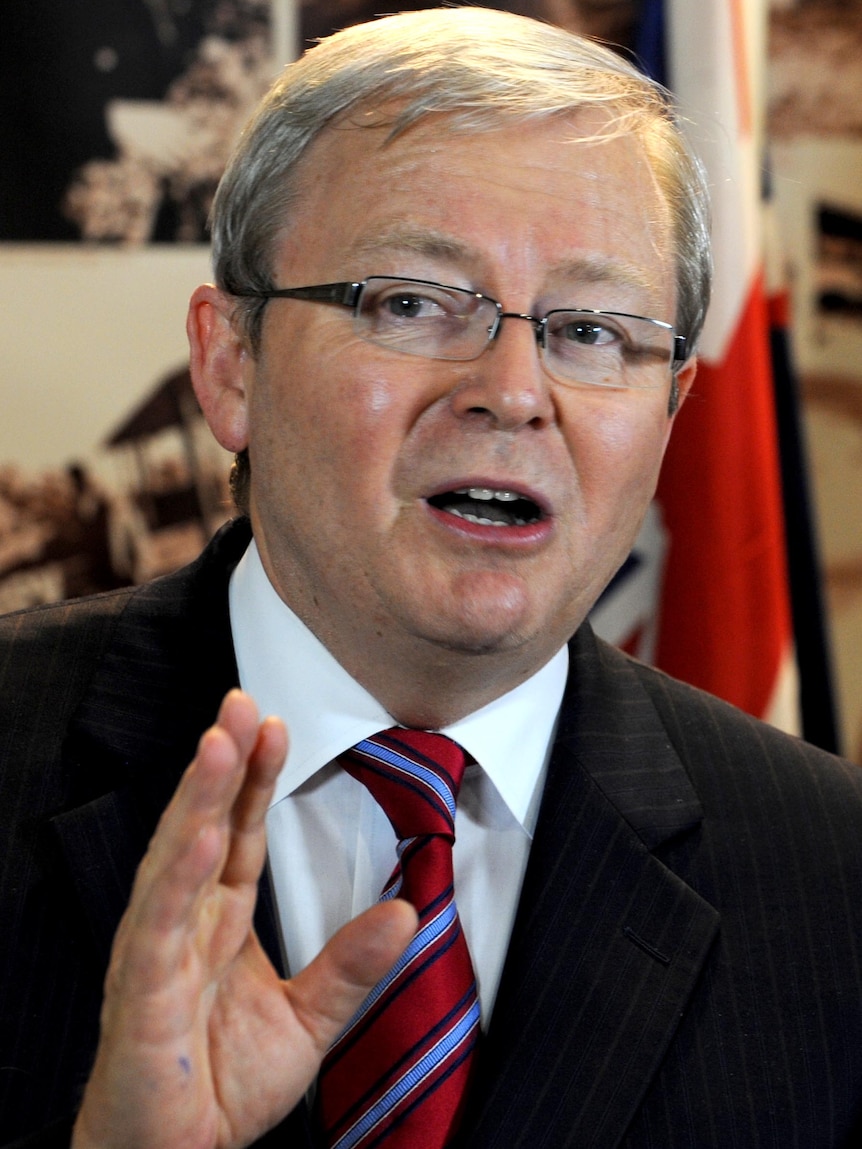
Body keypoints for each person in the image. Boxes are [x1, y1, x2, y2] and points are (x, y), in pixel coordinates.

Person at [2, 7, 862, 1148]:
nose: (512, 390)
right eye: (411, 303)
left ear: (670, 413)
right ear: (228, 365)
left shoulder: (834, 881)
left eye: (592, 331)